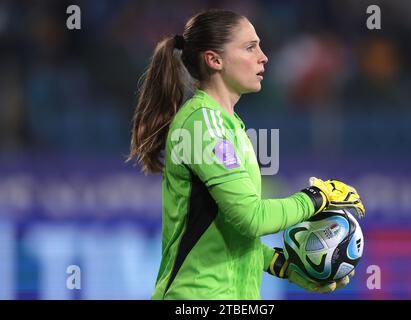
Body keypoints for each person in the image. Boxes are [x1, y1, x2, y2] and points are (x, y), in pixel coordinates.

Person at [128, 9, 365, 300]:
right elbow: (251, 218)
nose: (263, 57)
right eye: (250, 47)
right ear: (215, 60)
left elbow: (230, 231)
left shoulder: (228, 125)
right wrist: (317, 197)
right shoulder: (203, 123)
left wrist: (284, 267)